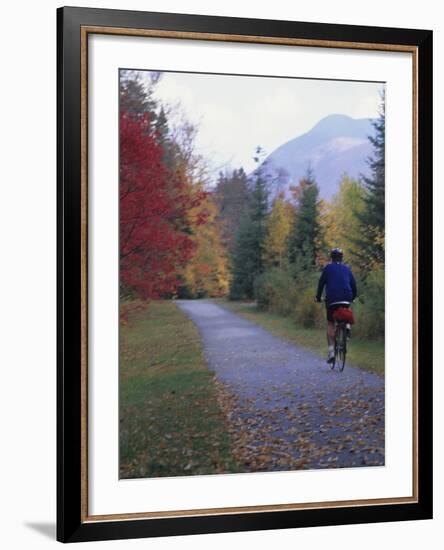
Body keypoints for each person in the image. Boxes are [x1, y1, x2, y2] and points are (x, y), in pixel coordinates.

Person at [316, 248, 357, 364]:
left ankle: (331, 352)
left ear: (331, 258)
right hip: (346, 296)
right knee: (346, 307)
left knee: (330, 323)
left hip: (332, 298)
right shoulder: (347, 269)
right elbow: (353, 285)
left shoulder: (328, 268)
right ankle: (347, 325)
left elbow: (321, 284)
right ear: (342, 258)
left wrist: (318, 297)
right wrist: (353, 297)